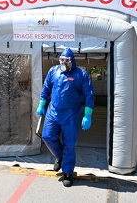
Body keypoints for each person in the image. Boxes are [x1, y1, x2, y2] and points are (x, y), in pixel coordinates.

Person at [36, 48, 94, 187]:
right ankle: (60, 156)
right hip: (53, 111)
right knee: (47, 137)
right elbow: (46, 87)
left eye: (66, 60)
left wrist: (88, 114)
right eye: (62, 60)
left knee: (69, 143)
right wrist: (42, 104)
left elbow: (89, 94)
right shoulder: (53, 71)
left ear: (72, 61)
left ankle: (68, 172)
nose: (64, 62)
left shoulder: (81, 74)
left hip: (71, 114)